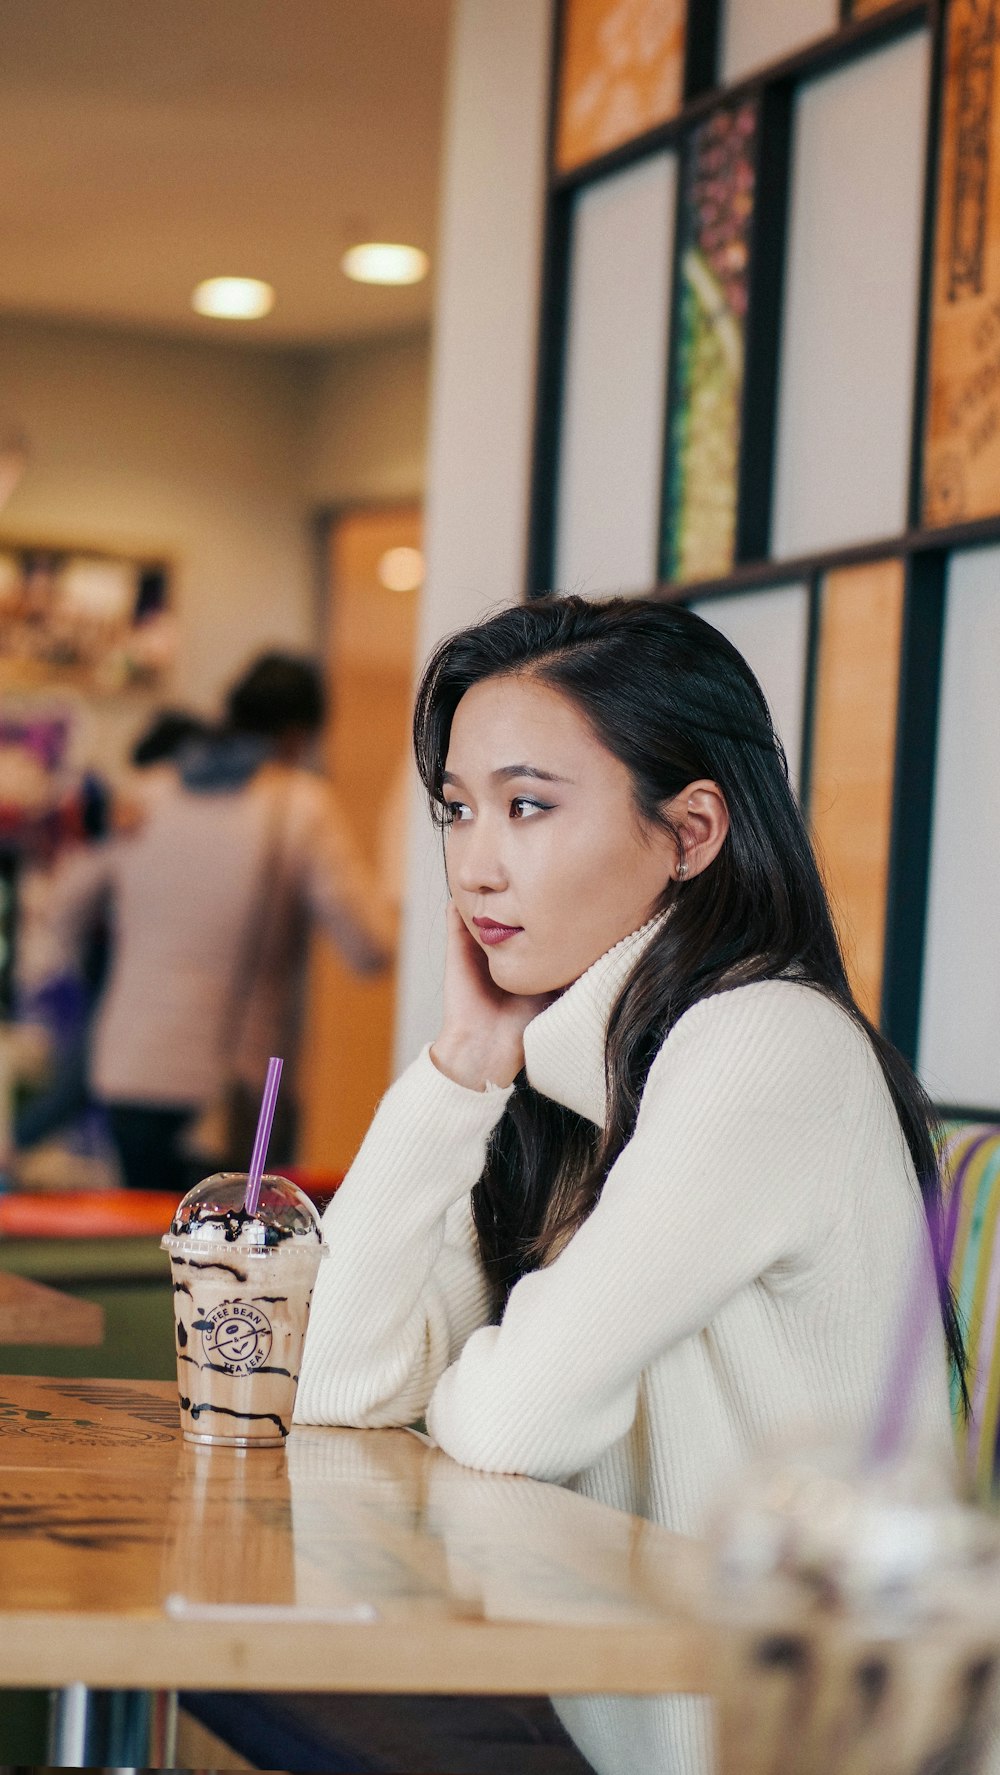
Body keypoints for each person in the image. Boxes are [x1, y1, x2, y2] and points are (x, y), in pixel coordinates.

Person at [293, 596, 961, 1775]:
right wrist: (461, 1067)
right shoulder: (564, 1072)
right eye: (456, 807)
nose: (474, 859)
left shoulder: (764, 1041)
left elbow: (509, 1420)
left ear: (691, 829)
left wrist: (470, 1380)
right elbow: (335, 1376)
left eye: (528, 804)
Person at [49, 652, 394, 1194]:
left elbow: (63, 911)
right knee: (227, 1254)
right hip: (242, 1083)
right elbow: (370, 947)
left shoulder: (145, 794)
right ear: (299, 732)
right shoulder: (301, 805)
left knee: (142, 1246)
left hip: (130, 1065)